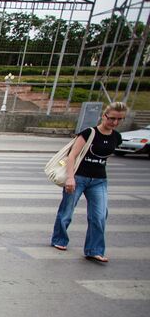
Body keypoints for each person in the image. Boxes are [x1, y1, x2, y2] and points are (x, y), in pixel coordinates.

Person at [50, 101, 128, 263]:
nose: (115, 122)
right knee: (66, 211)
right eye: (112, 118)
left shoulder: (116, 137)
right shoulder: (88, 133)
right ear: (104, 116)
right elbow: (72, 155)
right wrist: (70, 178)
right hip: (78, 177)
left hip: (99, 180)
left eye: (119, 119)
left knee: (99, 215)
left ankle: (94, 250)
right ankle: (59, 239)